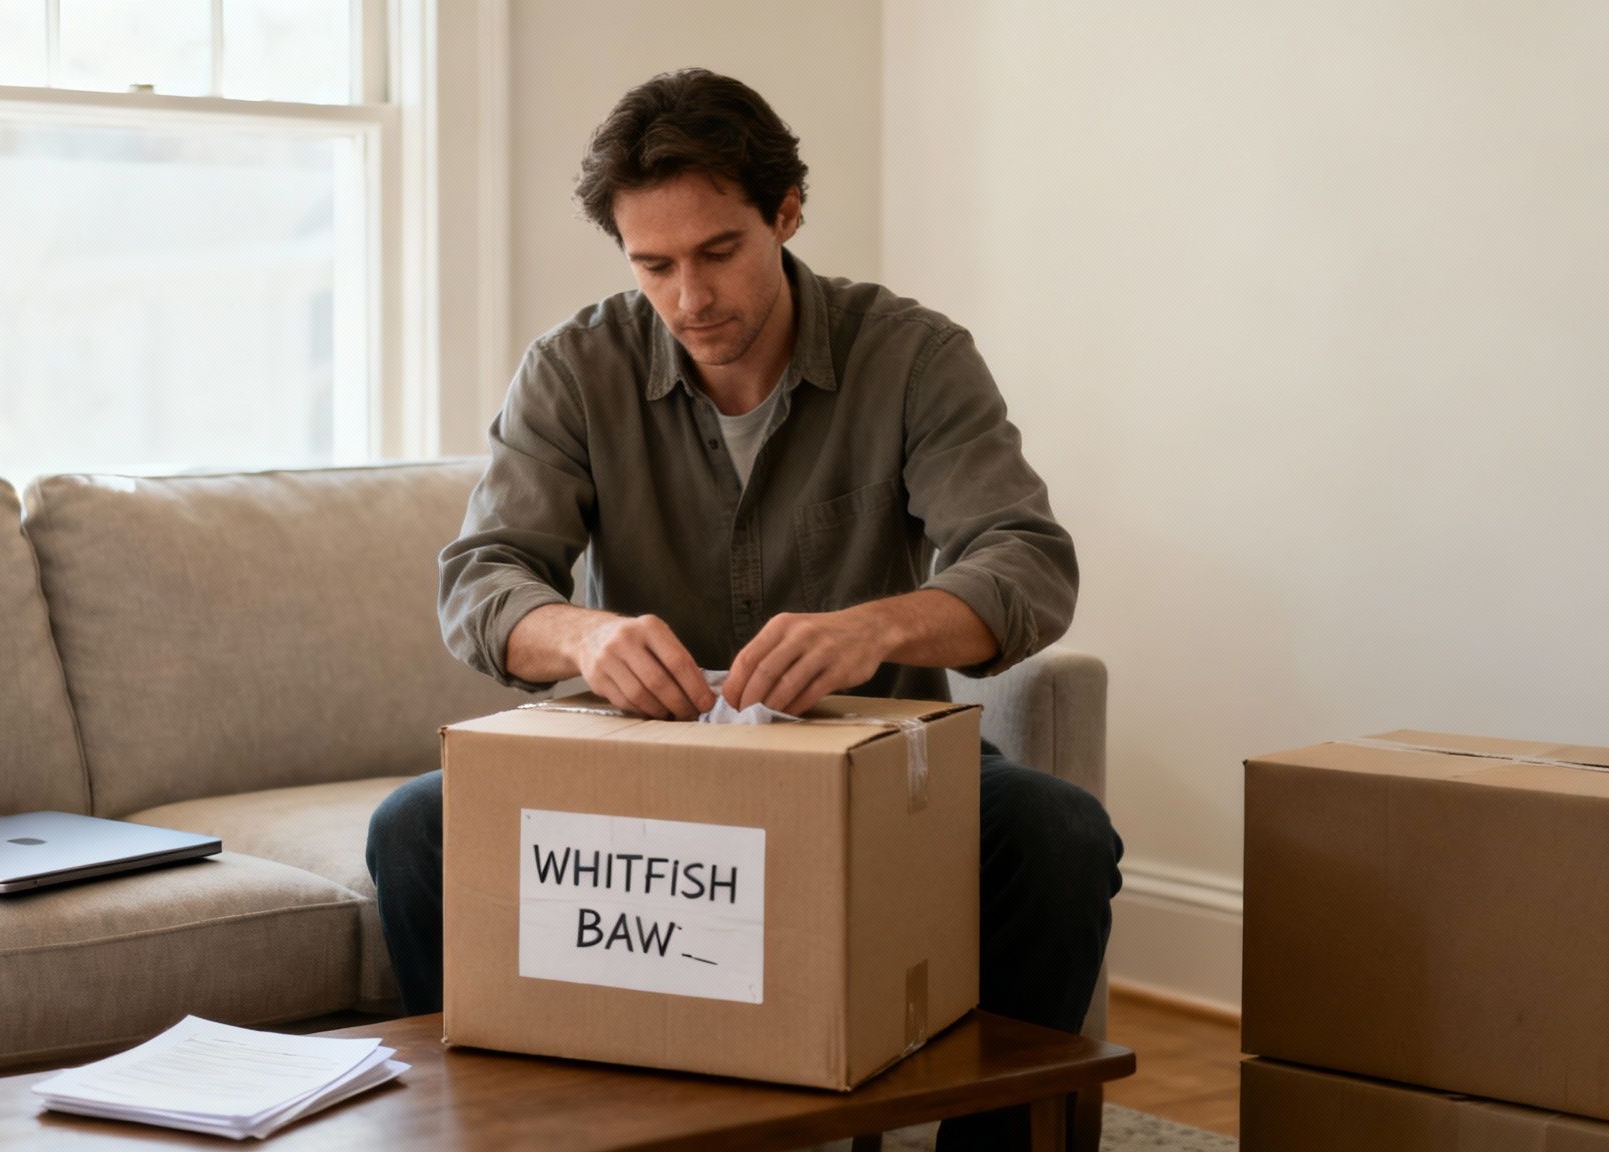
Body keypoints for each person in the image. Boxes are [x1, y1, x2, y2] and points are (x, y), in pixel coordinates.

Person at [367, 67, 1122, 1150]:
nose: (689, 299)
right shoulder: (573, 367)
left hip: (867, 767)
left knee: (1058, 834)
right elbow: (480, 580)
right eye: (653, 265)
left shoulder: (911, 357)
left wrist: (877, 626)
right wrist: (585, 634)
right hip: (643, 769)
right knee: (412, 830)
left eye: (717, 252)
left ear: (785, 213)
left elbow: (1028, 562)